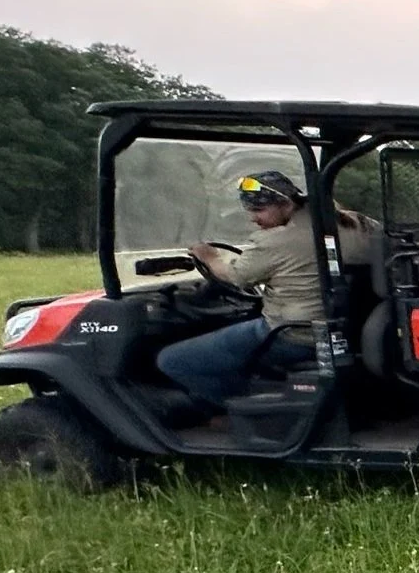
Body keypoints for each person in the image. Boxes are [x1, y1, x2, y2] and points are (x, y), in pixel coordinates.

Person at [156, 171, 372, 411]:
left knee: (173, 360)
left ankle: (247, 412)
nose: (253, 219)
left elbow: (236, 276)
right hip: (348, 330)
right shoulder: (355, 223)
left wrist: (209, 257)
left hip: (294, 336)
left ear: (287, 203)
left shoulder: (278, 241)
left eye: (259, 210)